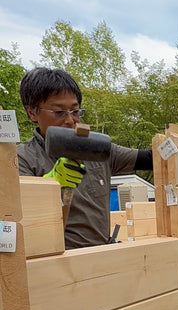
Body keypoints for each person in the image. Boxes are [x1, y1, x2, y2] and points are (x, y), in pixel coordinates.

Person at [17, 67, 153, 249]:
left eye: (75, 111)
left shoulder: (97, 149)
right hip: (54, 263)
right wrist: (51, 182)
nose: (70, 120)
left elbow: (153, 160)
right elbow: (18, 214)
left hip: (102, 256)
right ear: (32, 112)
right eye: (59, 112)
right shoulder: (21, 158)